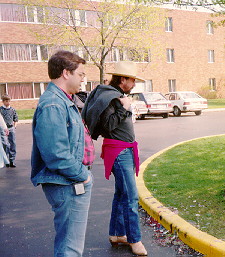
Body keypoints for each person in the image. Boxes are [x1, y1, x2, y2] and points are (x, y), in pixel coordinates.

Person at [31, 50, 93, 257]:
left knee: (71, 244)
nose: (83, 79)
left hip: (70, 180)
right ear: (66, 73)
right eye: (81, 74)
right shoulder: (53, 104)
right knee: (70, 247)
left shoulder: (64, 100)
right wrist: (82, 175)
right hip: (67, 182)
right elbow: (55, 153)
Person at [82, 61, 147, 256]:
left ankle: (117, 234)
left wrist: (124, 105)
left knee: (121, 194)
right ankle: (135, 240)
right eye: (132, 80)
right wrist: (123, 108)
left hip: (124, 150)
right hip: (119, 152)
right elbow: (108, 126)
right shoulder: (111, 97)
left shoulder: (115, 95)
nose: (134, 83)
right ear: (123, 79)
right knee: (131, 197)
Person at [0, 94, 18, 167]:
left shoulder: (12, 110)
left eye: (9, 101)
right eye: (6, 101)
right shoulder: (1, 109)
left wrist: (14, 126)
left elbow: (15, 119)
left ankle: (12, 160)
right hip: (3, 129)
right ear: (3, 101)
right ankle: (6, 160)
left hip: (11, 128)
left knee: (13, 144)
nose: (8, 102)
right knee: (5, 144)